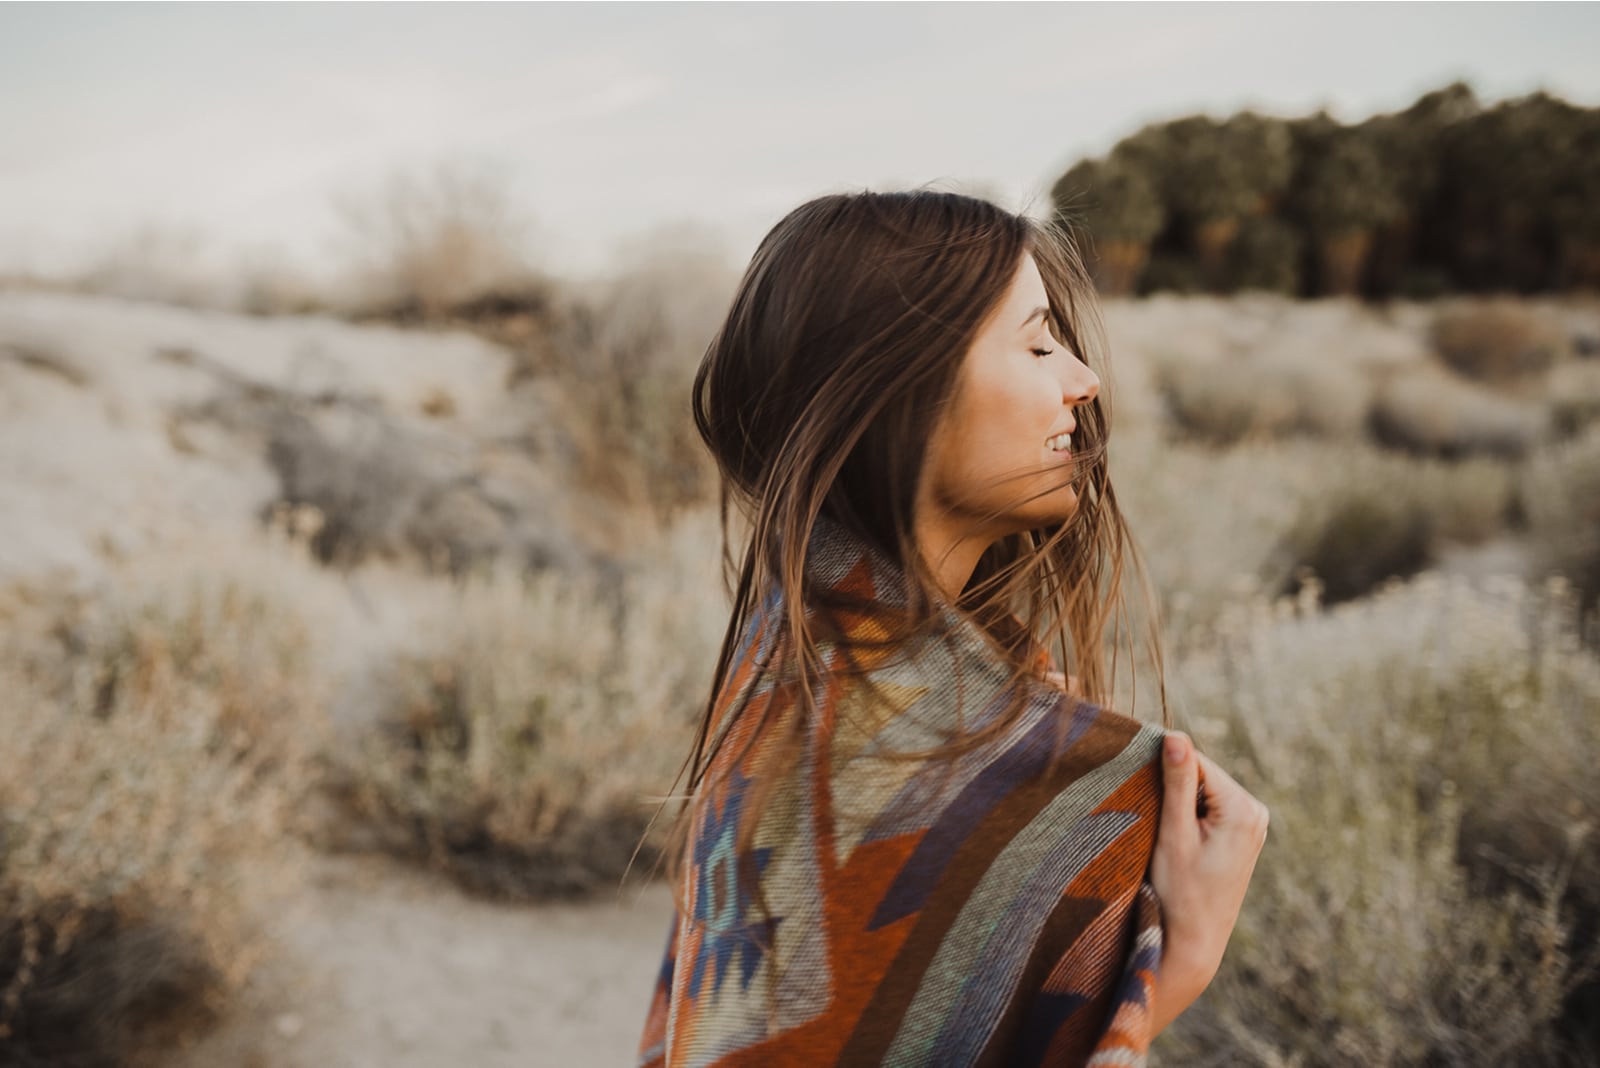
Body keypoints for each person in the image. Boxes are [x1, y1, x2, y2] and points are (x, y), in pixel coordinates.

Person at [636, 189, 1267, 1067]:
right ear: (902, 388)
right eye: (1040, 342)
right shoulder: (1057, 796)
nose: (1082, 378)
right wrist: (1180, 967)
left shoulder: (780, 664)